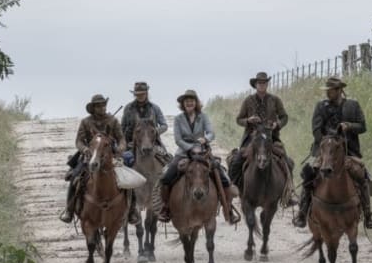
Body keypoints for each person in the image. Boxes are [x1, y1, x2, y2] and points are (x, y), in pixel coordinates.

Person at [292, 77, 372, 229]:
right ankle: (302, 212)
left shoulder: (353, 105)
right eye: (327, 91)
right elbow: (316, 130)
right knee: (309, 174)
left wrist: (349, 126)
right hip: (325, 152)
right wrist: (326, 144)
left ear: (339, 90)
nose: (328, 93)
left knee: (362, 175)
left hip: (349, 151)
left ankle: (367, 215)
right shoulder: (321, 106)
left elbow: (363, 126)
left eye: (330, 91)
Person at [156, 89, 241, 224]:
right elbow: (178, 140)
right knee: (166, 177)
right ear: (183, 104)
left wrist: (205, 139)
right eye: (186, 101)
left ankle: (228, 207)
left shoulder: (204, 117)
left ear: (196, 102)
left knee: (223, 176)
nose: (189, 103)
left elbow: (211, 133)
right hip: (184, 153)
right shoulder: (178, 119)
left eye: (192, 100)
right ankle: (166, 208)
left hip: (203, 153)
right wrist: (191, 147)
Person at [59, 94, 141, 225]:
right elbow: (79, 141)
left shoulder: (113, 121)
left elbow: (122, 139)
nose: (102, 107)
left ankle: (132, 211)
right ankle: (69, 210)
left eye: (103, 105)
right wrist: (85, 150)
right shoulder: (85, 122)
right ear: (93, 108)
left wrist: (120, 149)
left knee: (128, 178)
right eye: (99, 105)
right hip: (90, 156)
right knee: (75, 177)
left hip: (111, 156)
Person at [228, 72, 294, 202]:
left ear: (267, 84)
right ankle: (232, 188)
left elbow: (284, 117)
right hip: (252, 138)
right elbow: (238, 119)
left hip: (271, 137)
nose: (262, 85)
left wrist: (277, 124)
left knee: (288, 161)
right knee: (236, 161)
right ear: (256, 85)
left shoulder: (275, 100)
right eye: (260, 83)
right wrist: (248, 120)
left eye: (264, 83)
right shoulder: (248, 100)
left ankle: (288, 192)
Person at [120, 81, 171, 166]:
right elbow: (122, 127)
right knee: (123, 162)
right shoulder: (128, 108)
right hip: (131, 143)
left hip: (153, 142)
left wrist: (154, 131)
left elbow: (164, 125)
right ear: (134, 94)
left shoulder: (155, 108)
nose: (140, 96)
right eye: (137, 94)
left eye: (142, 94)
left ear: (146, 93)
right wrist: (123, 142)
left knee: (168, 159)